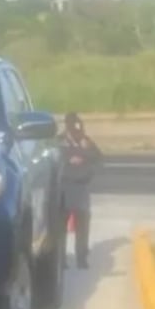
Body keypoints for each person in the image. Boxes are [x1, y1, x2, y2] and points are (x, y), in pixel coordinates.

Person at [60, 112, 103, 269]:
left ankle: (81, 257)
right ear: (67, 126)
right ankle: (61, 259)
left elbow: (99, 158)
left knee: (82, 225)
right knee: (60, 227)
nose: (75, 131)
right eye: (72, 127)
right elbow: (55, 158)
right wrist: (69, 159)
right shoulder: (59, 142)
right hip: (64, 187)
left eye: (77, 127)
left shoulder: (85, 141)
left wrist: (86, 151)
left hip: (82, 186)